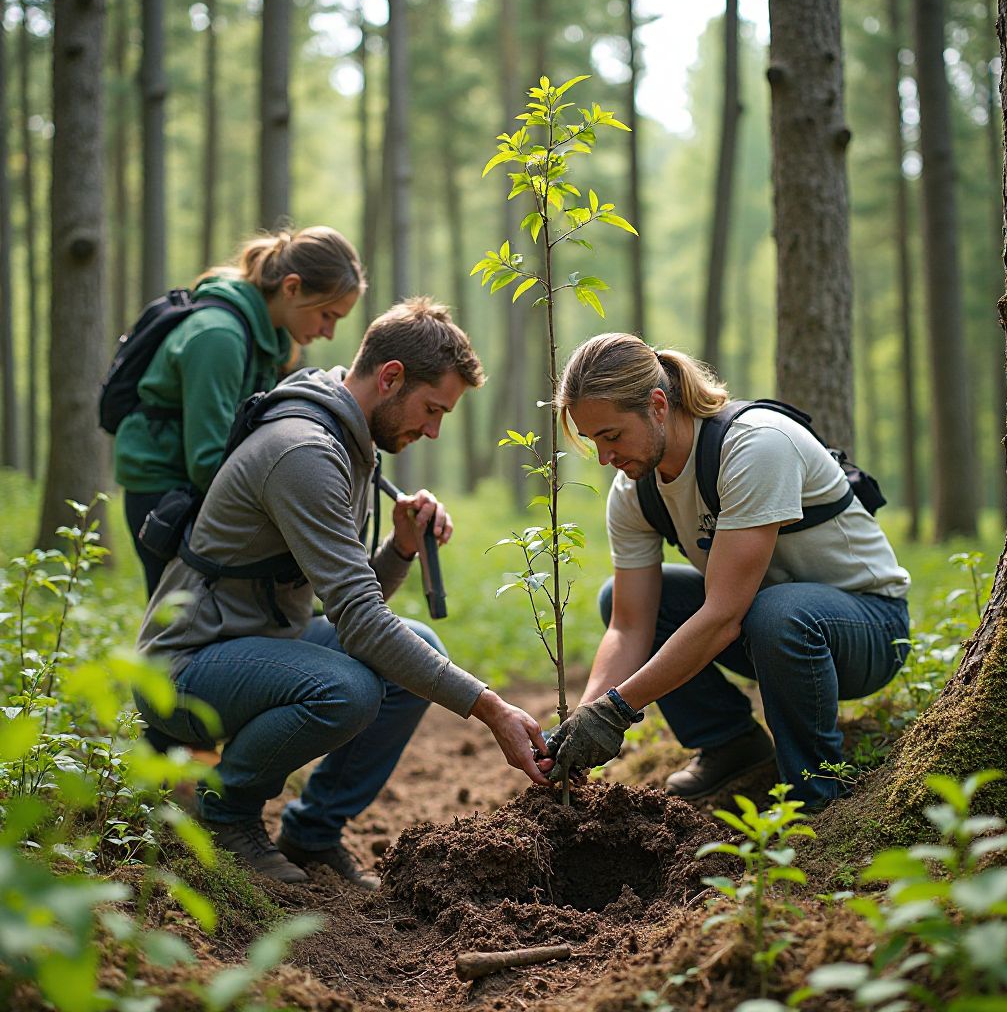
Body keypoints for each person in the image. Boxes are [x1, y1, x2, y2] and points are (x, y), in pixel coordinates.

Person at [135, 298, 551, 887]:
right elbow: (360, 622)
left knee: (415, 653)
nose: (433, 430)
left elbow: (351, 604)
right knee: (347, 689)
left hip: (257, 643)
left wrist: (401, 547)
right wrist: (489, 707)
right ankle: (225, 814)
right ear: (391, 377)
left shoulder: (346, 441)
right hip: (183, 666)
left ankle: (313, 831)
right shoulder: (305, 452)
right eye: (433, 409)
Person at [542, 332, 911, 811]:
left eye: (612, 436)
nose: (604, 457)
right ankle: (731, 744)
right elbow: (630, 624)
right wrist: (587, 717)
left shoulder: (756, 446)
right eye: (593, 440)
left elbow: (723, 615)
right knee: (623, 597)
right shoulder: (635, 491)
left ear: (657, 406)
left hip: (868, 631)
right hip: (767, 631)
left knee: (776, 612)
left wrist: (618, 709)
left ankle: (817, 793)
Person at [115, 226, 366, 596]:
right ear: (292, 287)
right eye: (327, 315)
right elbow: (207, 461)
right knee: (176, 618)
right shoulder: (219, 337)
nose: (329, 331)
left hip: (194, 488)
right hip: (163, 493)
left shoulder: (268, 339)